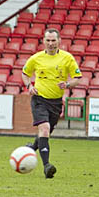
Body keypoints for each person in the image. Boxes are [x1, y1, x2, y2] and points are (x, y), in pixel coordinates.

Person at [22, 28, 82, 179]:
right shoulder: (35, 58)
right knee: (44, 128)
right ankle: (47, 166)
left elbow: (77, 77)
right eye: (47, 40)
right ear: (43, 41)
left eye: (53, 40)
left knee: (46, 133)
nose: (50, 43)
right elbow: (25, 74)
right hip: (39, 99)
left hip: (56, 102)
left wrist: (68, 85)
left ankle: (31, 149)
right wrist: (29, 86)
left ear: (59, 41)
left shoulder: (67, 58)